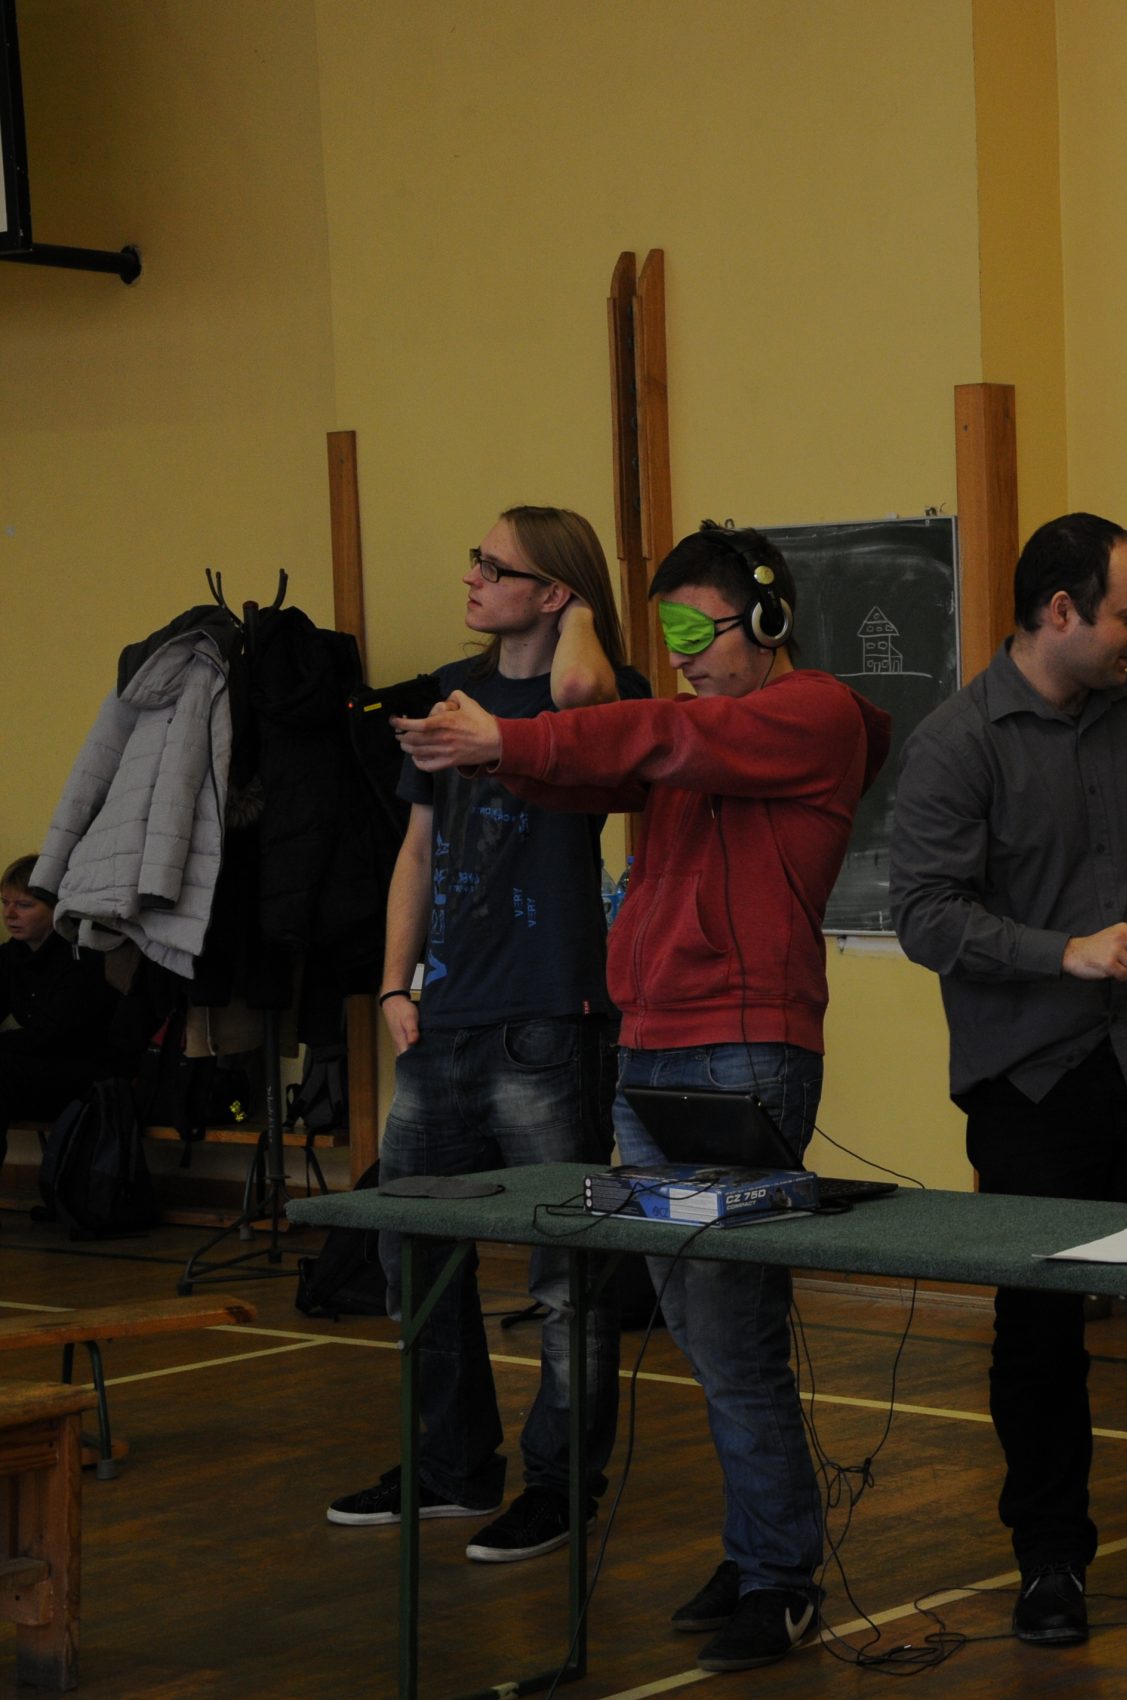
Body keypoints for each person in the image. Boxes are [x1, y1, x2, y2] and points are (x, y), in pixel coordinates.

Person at [397, 520, 889, 1674]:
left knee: (732, 1331)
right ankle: (759, 1548)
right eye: (663, 632)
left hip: (742, 1051)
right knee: (706, 1334)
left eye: (694, 630)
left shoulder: (810, 712)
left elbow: (656, 733)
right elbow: (609, 755)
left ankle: (778, 1573)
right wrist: (501, 754)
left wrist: (508, 733)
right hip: (654, 1051)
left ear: (767, 620)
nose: (678, 655)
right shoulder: (700, 736)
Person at [888, 511, 1127, 1646]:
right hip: (1031, 1083)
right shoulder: (956, 743)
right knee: (1037, 1332)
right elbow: (923, 915)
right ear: (1060, 612)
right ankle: (1049, 1560)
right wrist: (1064, 952)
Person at [323, 506, 645, 1569]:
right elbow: (418, 848)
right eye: (475, 558)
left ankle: (560, 1485)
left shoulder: (597, 688)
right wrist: (393, 982)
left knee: (565, 1274)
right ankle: (452, 1464)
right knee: (410, 1249)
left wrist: (582, 613)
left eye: (495, 566)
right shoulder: (449, 696)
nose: (470, 577)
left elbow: (586, 698)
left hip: (549, 1024)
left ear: (553, 592)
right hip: (444, 1021)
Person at [1, 854, 122, 1132]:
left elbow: (51, 1036)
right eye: (5, 902)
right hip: (35, 1069)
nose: (9, 914)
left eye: (24, 905)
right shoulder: (10, 956)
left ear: (57, 908)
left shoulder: (82, 957)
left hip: (86, 1075)